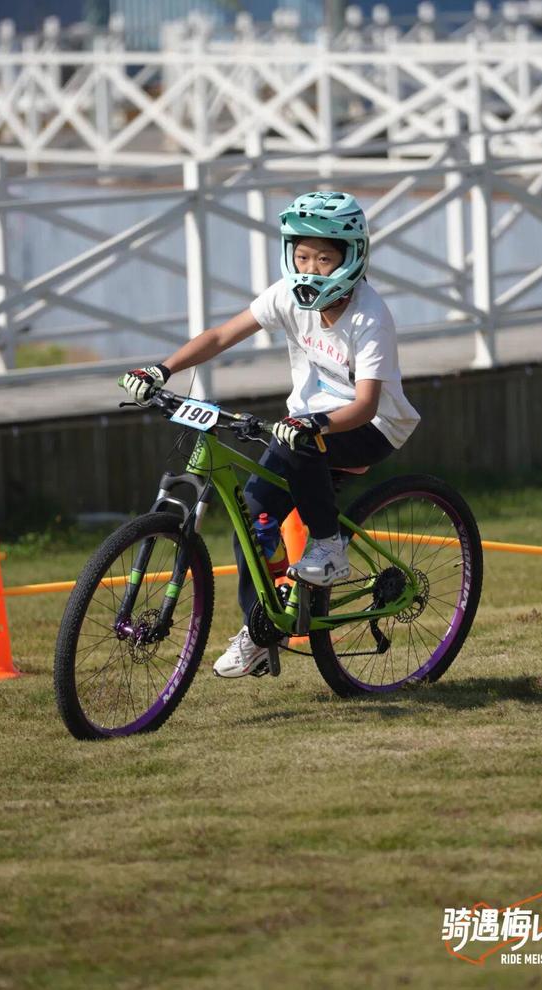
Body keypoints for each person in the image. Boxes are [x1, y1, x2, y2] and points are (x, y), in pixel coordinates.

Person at [120, 190, 420, 679]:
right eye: (303, 255)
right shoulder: (287, 296)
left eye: (325, 258)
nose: (312, 267)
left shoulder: (370, 316)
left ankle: (328, 546)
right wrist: (161, 368)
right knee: (253, 521)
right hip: (303, 424)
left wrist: (314, 423)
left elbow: (365, 404)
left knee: (303, 446)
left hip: (371, 426)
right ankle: (262, 630)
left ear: (352, 257)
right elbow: (220, 336)